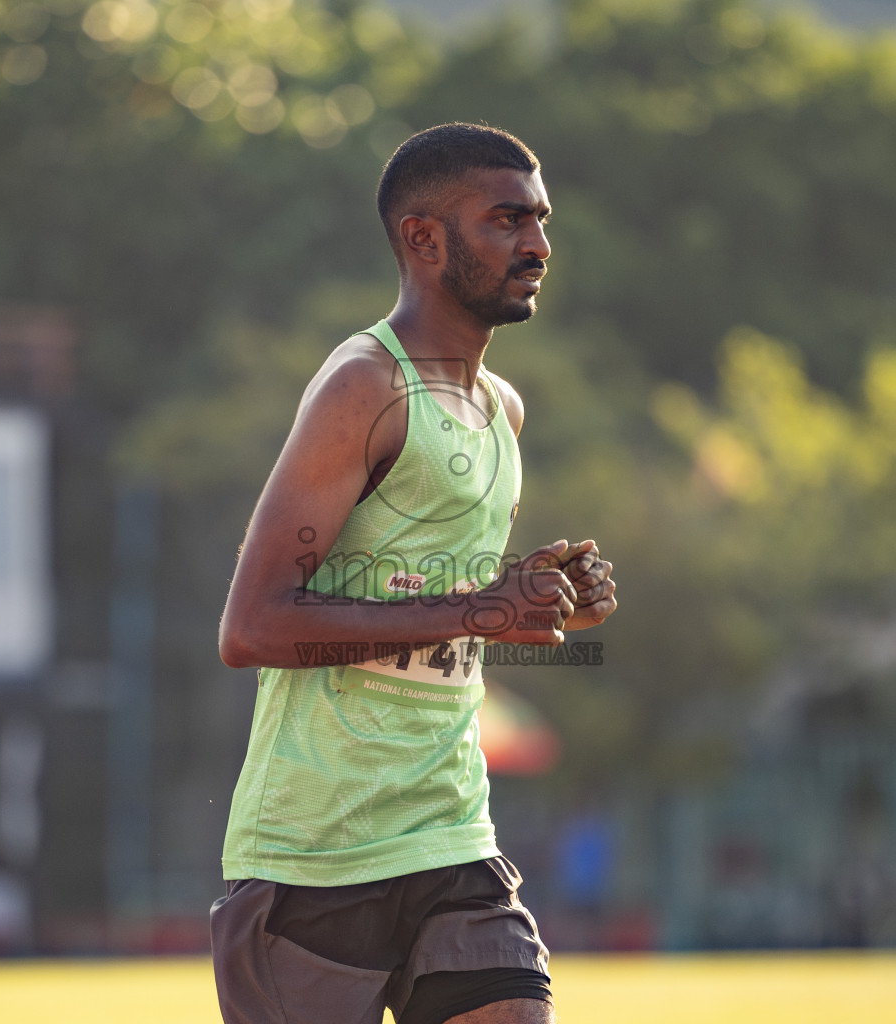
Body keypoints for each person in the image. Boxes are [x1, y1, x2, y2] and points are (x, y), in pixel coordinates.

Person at [214, 123, 617, 1024]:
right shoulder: (365, 385)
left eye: (542, 220)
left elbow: (432, 604)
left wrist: (536, 602)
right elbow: (254, 629)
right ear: (424, 239)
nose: (540, 244)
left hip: (449, 834)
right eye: (507, 219)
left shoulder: (499, 410)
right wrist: (479, 609)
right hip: (314, 855)